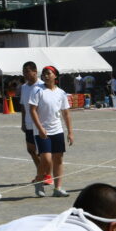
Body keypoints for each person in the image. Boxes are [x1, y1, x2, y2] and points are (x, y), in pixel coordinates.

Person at [29, 66, 75, 198]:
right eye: (44, 74)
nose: (46, 76)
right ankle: (39, 180)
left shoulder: (61, 92)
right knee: (47, 159)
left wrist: (70, 132)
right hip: (42, 131)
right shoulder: (37, 90)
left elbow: (66, 113)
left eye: (49, 73)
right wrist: (40, 128)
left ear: (55, 76)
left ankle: (58, 188)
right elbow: (32, 110)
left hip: (57, 130)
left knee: (58, 159)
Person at [20, 62, 45, 181]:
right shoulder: (24, 87)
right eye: (23, 71)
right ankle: (41, 173)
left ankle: (44, 175)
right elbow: (24, 107)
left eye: (27, 71)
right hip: (28, 123)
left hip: (41, 123)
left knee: (43, 152)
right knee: (31, 150)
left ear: (35, 71)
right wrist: (23, 122)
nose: (25, 74)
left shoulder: (42, 85)